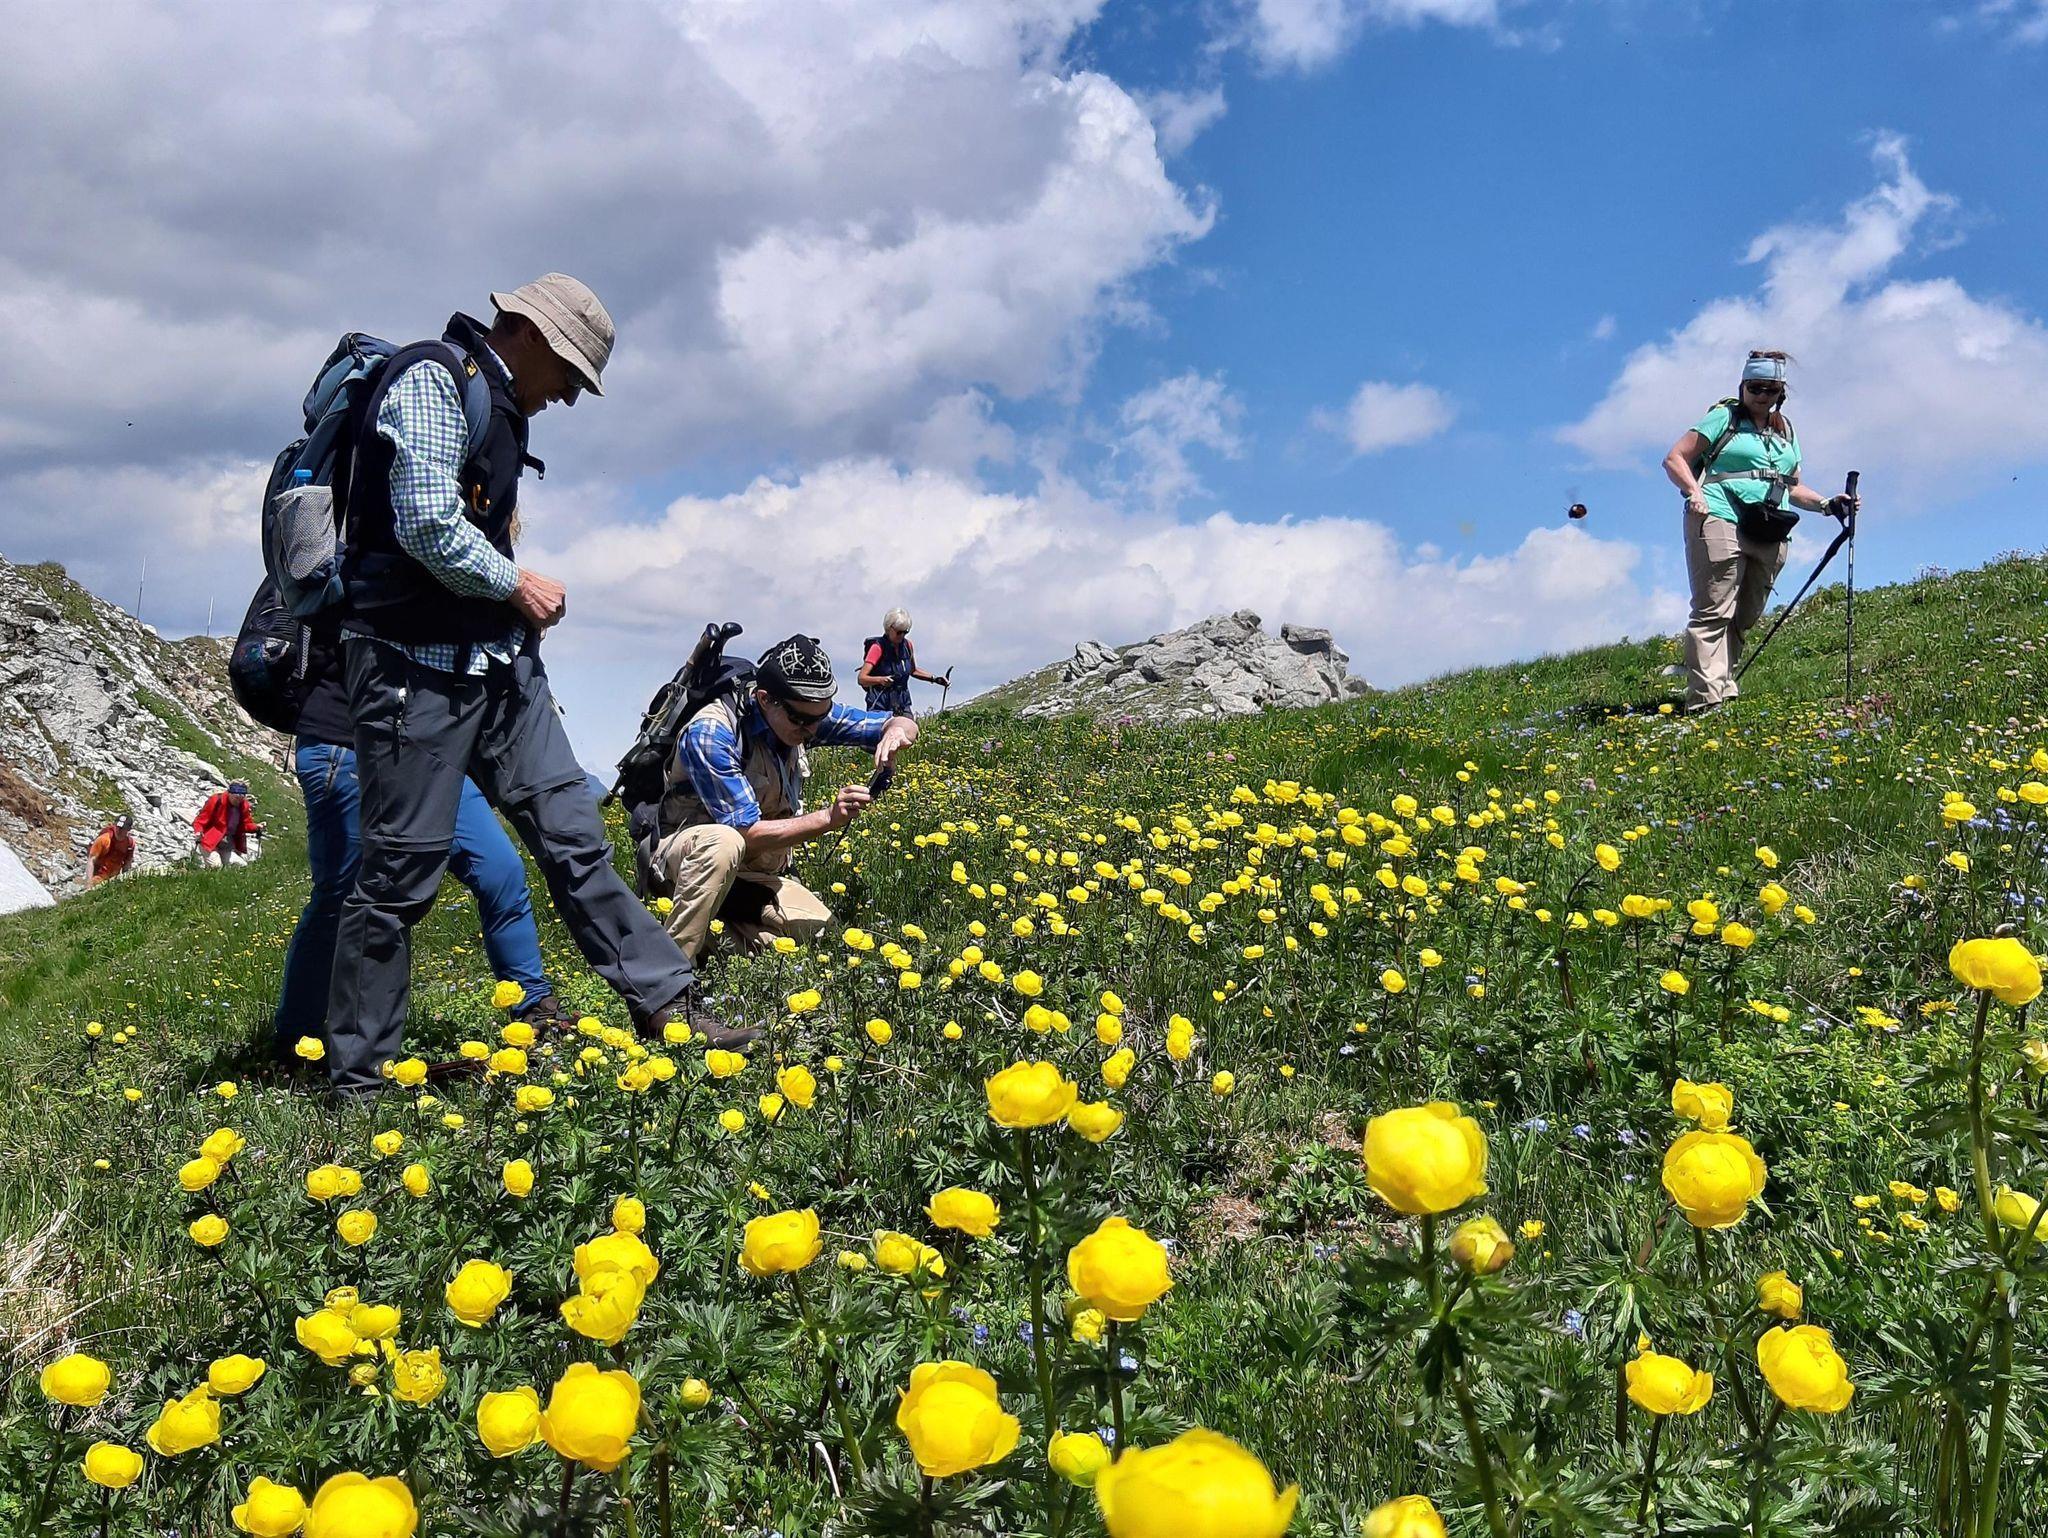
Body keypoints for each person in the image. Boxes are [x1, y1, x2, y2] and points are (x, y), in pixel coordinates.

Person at [324, 272, 744, 1097]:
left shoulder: (498, 405)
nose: (572, 397)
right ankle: (360, 1080)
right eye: (572, 374)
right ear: (532, 334)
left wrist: (508, 608)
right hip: (412, 671)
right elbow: (426, 524)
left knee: (575, 837)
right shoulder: (431, 379)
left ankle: (670, 1007)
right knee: (398, 876)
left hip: (499, 670)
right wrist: (516, 583)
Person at [271, 623, 567, 1072]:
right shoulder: (359, 575)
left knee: (500, 869)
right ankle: (297, 1041)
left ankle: (534, 1009)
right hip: (344, 741)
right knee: (341, 896)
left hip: (428, 748)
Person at [652, 634, 916, 962]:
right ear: (765, 699)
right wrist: (829, 818)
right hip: (690, 862)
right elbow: (745, 834)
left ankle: (717, 937)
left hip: (754, 874)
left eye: (821, 717)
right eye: (802, 720)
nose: (812, 729)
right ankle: (671, 971)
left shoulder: (802, 714)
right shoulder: (711, 733)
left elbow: (899, 721)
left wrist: (896, 731)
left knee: (819, 938)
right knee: (724, 843)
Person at [1662, 350, 1856, 713]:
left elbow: (1793, 486)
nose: (1762, 395)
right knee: (1714, 608)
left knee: (1745, 613)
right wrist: (1693, 492)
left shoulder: (1786, 431)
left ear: (1781, 392)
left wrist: (1828, 504)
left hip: (1768, 527)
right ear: (1742, 386)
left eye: (1770, 389)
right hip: (1718, 515)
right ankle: (1705, 699)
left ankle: (1722, 684)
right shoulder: (1724, 418)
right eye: (1755, 387)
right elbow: (1675, 458)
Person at [857, 608, 947, 715]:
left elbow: (913, 671)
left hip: (902, 704)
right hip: (880, 705)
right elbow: (862, 678)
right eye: (899, 632)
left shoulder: (907, 646)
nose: (902, 636)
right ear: (889, 628)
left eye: (905, 632)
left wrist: (934, 679)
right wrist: (881, 680)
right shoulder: (877, 648)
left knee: (909, 725)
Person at [192, 782, 263, 867]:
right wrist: (198, 832)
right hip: (209, 841)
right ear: (229, 793)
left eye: (241, 798)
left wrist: (256, 827)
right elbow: (200, 820)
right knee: (216, 866)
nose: (238, 801)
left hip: (227, 844)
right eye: (236, 798)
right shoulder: (216, 800)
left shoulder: (243, 805)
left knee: (240, 865)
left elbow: (245, 825)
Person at [87, 815, 135, 886]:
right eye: (117, 827)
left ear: (129, 829)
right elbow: (91, 860)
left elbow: (127, 864)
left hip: (114, 879)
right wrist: (89, 883)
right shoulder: (104, 839)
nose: (119, 830)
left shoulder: (130, 844)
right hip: (98, 877)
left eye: (122, 828)